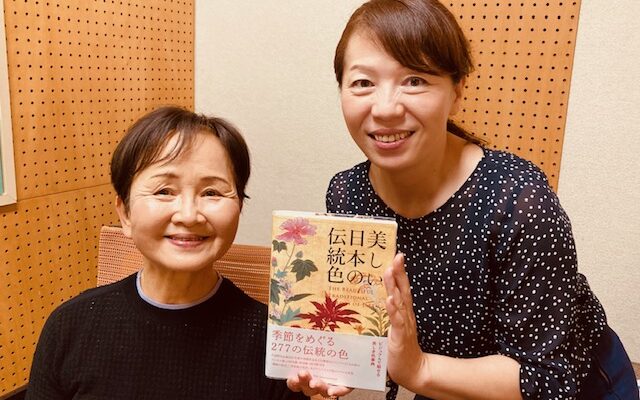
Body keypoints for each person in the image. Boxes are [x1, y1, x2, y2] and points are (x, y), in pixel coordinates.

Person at [321, 0, 639, 399]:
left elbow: (548, 379)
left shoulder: (517, 199)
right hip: (442, 378)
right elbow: (371, 322)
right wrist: (336, 365)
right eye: (363, 83)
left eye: (415, 80)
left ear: (457, 90)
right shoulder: (347, 194)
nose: (385, 108)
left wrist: (418, 370)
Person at [25, 106, 311, 399]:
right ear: (125, 213)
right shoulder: (69, 327)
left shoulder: (274, 343)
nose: (189, 215)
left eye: (212, 192)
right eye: (164, 191)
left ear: (239, 207)